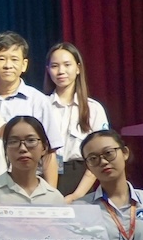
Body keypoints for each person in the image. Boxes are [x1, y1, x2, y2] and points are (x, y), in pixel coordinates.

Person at [0, 32, 59, 185]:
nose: (8, 65)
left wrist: (52, 194)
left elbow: (50, 152)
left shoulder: (38, 101)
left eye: (14, 59)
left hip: (30, 183)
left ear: (24, 65)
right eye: (1, 59)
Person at [45, 42, 110, 199]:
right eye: (54, 66)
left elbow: (99, 156)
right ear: (48, 70)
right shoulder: (41, 105)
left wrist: (77, 195)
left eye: (67, 65)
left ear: (78, 68)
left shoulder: (93, 108)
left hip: (80, 181)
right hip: (44, 179)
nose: (61, 71)